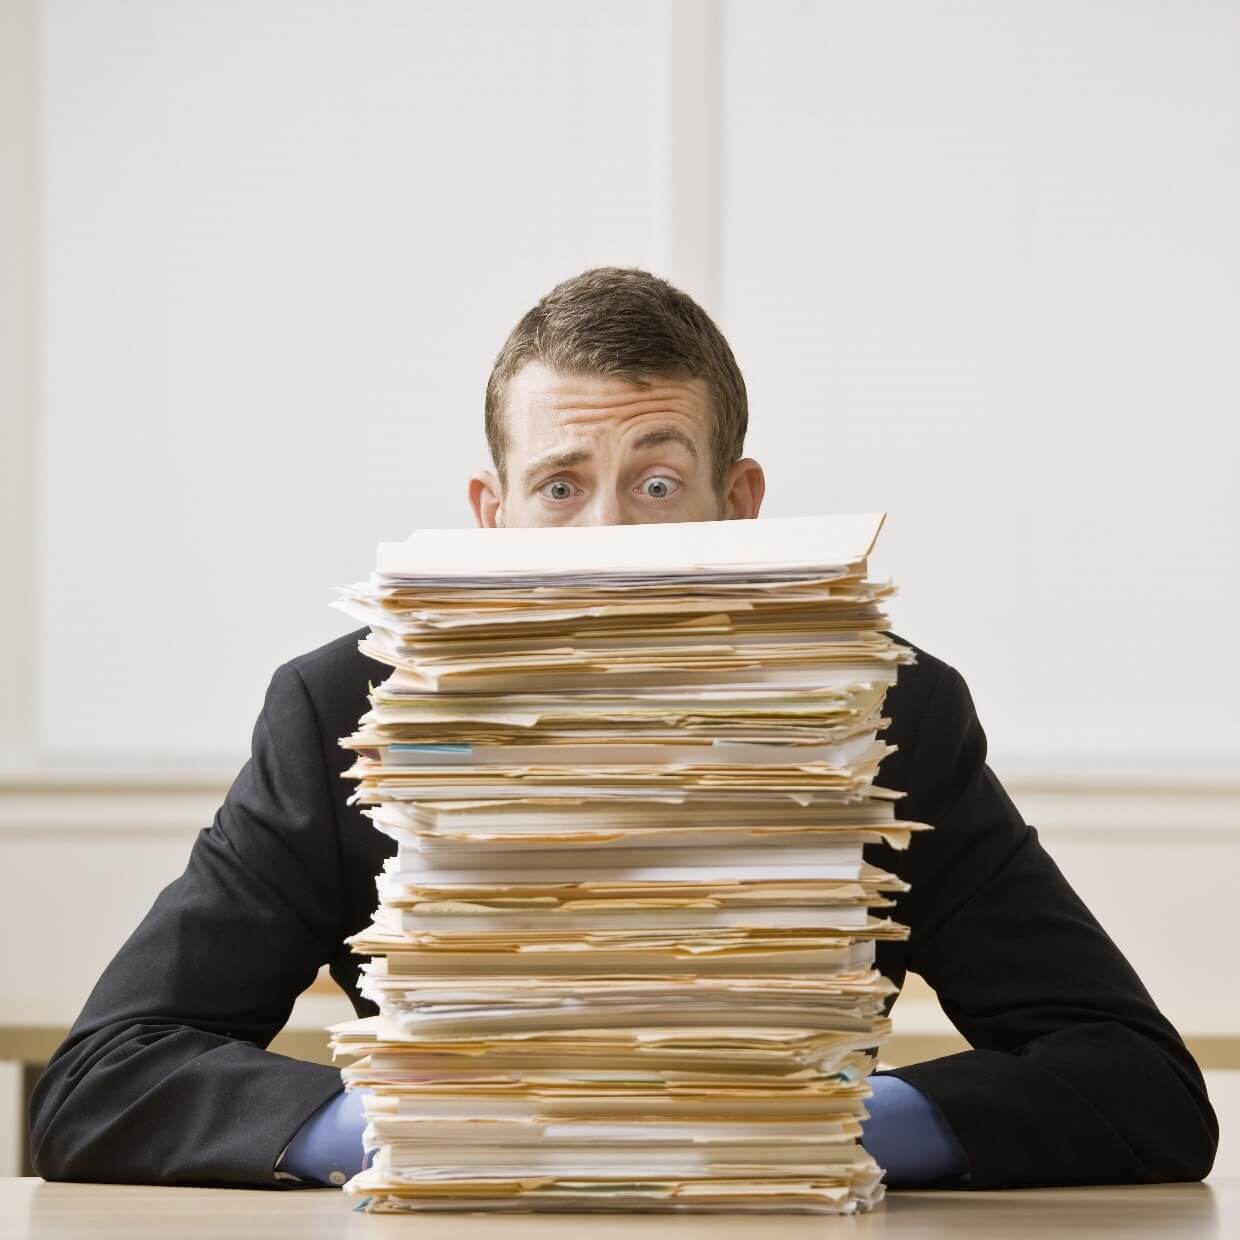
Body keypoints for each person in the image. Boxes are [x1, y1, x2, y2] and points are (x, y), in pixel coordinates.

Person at [29, 267, 1217, 1191]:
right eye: (559, 486)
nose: (607, 535)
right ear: (489, 517)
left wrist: (809, 1128)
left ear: (737, 507)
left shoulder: (886, 711)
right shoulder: (345, 713)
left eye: (655, 483)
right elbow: (102, 1082)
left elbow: (1138, 1088)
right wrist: (401, 1127)